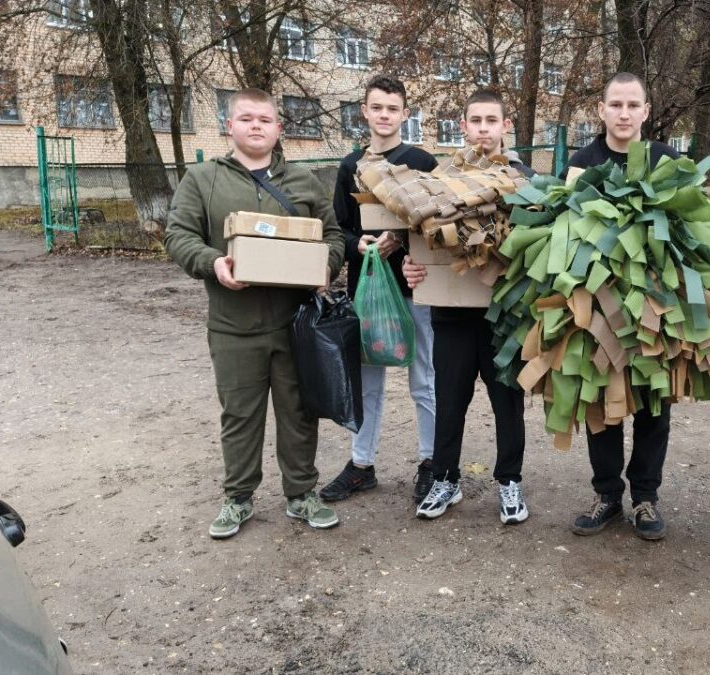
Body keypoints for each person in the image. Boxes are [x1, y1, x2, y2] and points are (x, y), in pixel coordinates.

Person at [164, 88, 346, 538]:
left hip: (296, 325)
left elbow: (335, 234)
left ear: (278, 129)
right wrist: (214, 263)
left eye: (265, 119)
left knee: (299, 412)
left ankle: (302, 494)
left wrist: (326, 265)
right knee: (240, 415)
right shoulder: (203, 179)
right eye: (246, 119)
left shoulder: (302, 181)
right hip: (233, 325)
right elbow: (178, 234)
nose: (256, 126)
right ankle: (238, 498)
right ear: (230, 126)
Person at [402, 89, 536, 524]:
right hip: (452, 313)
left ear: (504, 125)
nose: (483, 128)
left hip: (504, 314)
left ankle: (509, 481)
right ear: (463, 126)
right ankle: (445, 478)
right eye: (475, 120)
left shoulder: (524, 178)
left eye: (491, 120)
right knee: (450, 398)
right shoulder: (441, 178)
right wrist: (412, 265)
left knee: (507, 400)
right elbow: (418, 235)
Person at [561, 72, 681, 542]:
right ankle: (608, 493)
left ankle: (646, 497)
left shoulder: (666, 160)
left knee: (654, 400)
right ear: (602, 109)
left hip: (655, 303)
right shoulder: (582, 162)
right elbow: (564, 230)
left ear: (646, 111)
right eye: (616, 104)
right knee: (600, 400)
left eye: (634, 105)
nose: (625, 113)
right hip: (598, 303)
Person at [320, 75, 439, 506]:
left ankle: (431, 463)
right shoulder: (350, 165)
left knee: (424, 379)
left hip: (415, 288)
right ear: (364, 112)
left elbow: (437, 224)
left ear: (404, 115)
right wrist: (360, 245)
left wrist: (402, 241)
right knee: (367, 381)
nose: (385, 115)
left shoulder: (422, 161)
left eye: (393, 108)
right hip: (367, 289)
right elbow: (339, 229)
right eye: (377, 107)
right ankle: (361, 465)